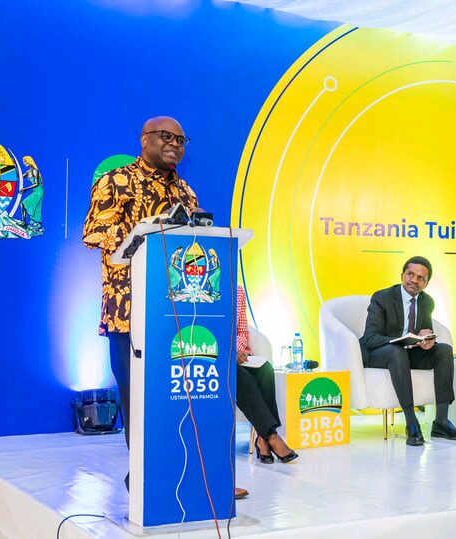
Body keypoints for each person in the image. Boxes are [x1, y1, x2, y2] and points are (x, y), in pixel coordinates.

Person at [81, 117, 252, 495]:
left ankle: (203, 478)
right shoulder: (116, 180)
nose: (175, 144)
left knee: (188, 400)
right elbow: (93, 232)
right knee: (142, 402)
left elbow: (198, 243)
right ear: (144, 140)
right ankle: (147, 480)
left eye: (181, 139)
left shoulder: (185, 190)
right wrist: (148, 230)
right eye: (166, 137)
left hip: (182, 312)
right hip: (130, 313)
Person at [360, 256, 456, 445]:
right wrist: (400, 341)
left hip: (408, 352)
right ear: (402, 275)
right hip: (379, 353)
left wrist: (427, 341)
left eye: (421, 278)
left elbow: (424, 332)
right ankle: (411, 421)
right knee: (396, 351)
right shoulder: (382, 298)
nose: (414, 280)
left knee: (444, 350)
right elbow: (370, 338)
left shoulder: (427, 302)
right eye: (410, 274)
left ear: (426, 283)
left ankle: (441, 422)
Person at [235, 286, 298, 463]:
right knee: (243, 377)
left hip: (239, 354)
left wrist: (236, 349)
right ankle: (271, 437)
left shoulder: (238, 291)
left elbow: (242, 331)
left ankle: (263, 439)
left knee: (265, 369)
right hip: (215, 356)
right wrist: (228, 351)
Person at [19, 155, 44, 232]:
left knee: (23, 204)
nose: (24, 163)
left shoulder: (35, 171)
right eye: (23, 161)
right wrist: (15, 167)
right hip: (35, 191)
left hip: (38, 191)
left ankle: (24, 222)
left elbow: (36, 184)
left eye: (25, 161)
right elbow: (19, 177)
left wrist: (25, 189)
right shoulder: (28, 172)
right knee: (35, 208)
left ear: (29, 161)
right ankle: (28, 223)